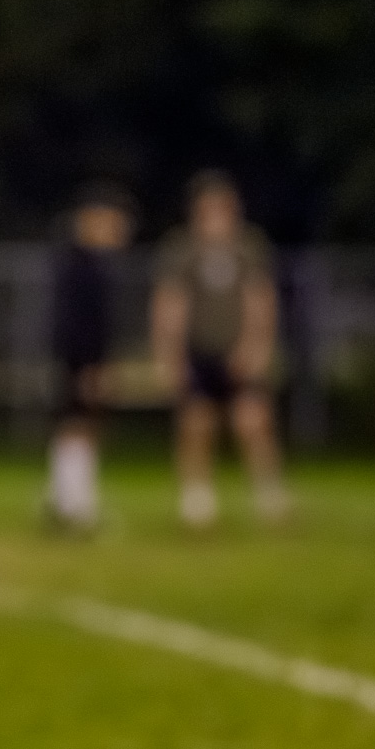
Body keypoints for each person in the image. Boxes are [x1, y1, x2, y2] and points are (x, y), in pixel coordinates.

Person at [150, 170, 288, 528]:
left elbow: (260, 299)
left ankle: (270, 495)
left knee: (252, 421)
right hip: (199, 350)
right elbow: (170, 303)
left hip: (237, 349)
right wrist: (170, 354)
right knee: (196, 424)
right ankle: (197, 500)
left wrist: (255, 347)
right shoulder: (182, 249)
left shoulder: (248, 246)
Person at [44, 182, 135, 529]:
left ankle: (70, 500)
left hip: (85, 358)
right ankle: (72, 505)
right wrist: (89, 366)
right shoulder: (80, 266)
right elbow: (77, 323)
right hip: (80, 359)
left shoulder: (94, 264)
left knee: (83, 425)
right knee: (77, 425)